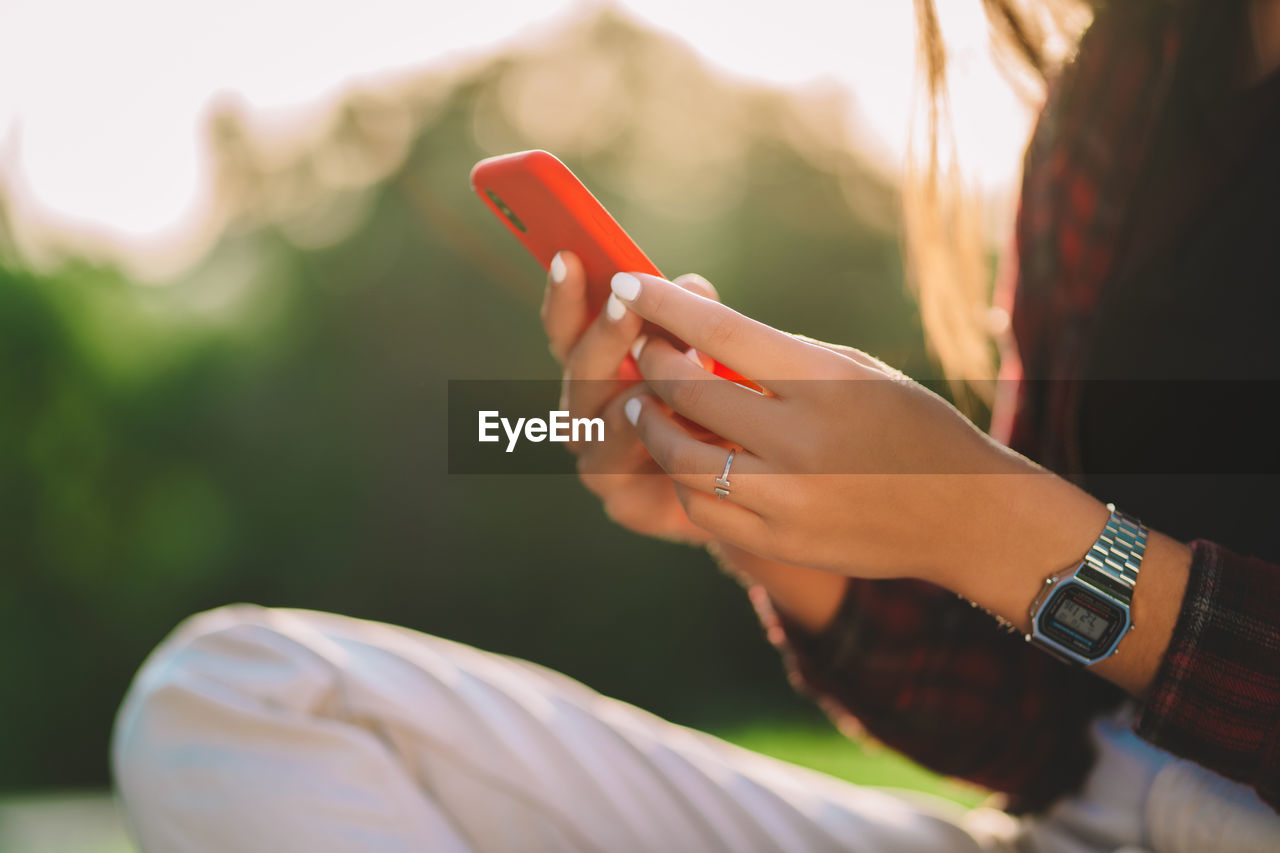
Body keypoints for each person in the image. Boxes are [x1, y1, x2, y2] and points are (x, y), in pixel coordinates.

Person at [112, 0, 1280, 850]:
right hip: (1091, 823)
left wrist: (991, 522)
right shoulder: (1128, 77)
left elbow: (1020, 553)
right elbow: (1038, 733)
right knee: (232, 699)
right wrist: (763, 515)